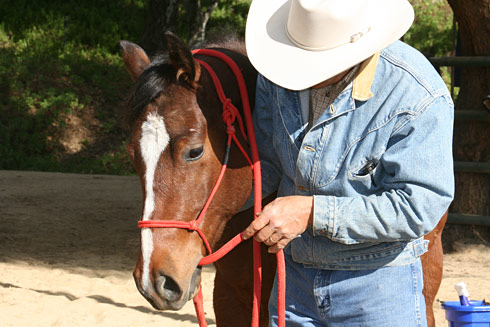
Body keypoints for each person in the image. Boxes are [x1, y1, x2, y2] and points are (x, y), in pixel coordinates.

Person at [241, 0, 455, 326]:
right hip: (293, 280)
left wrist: (312, 213)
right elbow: (268, 162)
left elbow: (418, 207)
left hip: (377, 285)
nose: (297, 72)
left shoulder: (415, 93)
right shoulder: (275, 76)